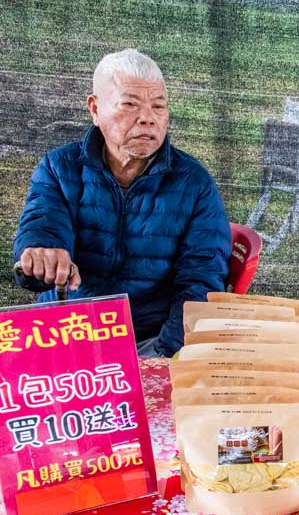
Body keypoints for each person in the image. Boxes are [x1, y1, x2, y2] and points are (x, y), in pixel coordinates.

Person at [12, 48, 231, 357]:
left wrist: (165, 354)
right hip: (67, 333)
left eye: (158, 106)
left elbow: (201, 283)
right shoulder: (59, 168)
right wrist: (41, 254)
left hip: (148, 340)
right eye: (130, 104)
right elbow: (43, 224)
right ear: (95, 108)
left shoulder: (194, 183)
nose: (147, 118)